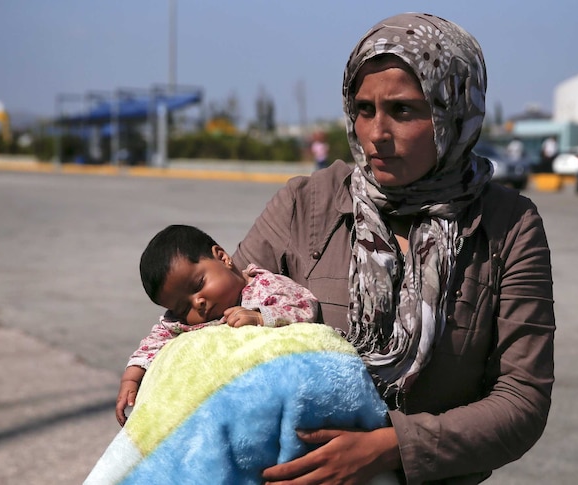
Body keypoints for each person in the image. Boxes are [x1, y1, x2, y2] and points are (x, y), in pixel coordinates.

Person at [233, 12, 555, 484]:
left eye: (403, 110)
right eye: (364, 110)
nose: (376, 134)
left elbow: (522, 401)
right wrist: (149, 358)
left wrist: (389, 447)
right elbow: (214, 312)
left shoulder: (510, 226)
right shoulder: (307, 204)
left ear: (454, 110)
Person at [115, 224, 319, 426]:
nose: (198, 303)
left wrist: (260, 317)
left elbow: (305, 308)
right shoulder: (181, 321)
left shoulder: (266, 287)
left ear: (222, 257)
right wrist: (131, 379)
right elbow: (154, 342)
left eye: (198, 285)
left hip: (273, 392)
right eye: (184, 307)